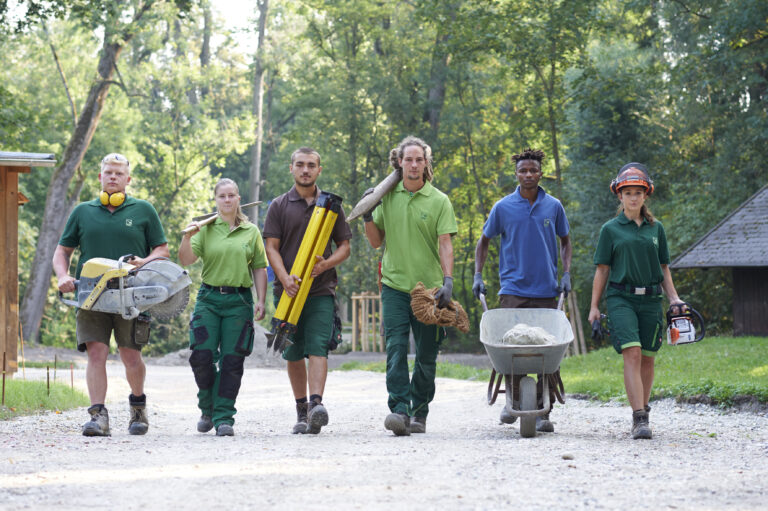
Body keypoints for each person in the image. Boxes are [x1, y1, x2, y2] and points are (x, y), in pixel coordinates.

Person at [54, 153, 169, 436]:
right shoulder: (82, 211)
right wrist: (63, 276)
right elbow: (62, 251)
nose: (113, 177)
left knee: (130, 355)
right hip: (91, 293)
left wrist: (144, 262)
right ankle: (98, 416)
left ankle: (138, 408)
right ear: (100, 177)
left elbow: (162, 250)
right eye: (109, 173)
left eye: (119, 173)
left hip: (131, 293)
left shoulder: (143, 209)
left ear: (128, 179)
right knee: (96, 353)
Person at [363, 135, 457, 436]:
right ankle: (400, 410)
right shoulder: (386, 197)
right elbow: (376, 241)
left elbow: (445, 244)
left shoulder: (439, 200)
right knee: (395, 349)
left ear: (426, 164)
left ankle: (420, 412)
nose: (414, 164)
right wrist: (367, 212)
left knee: (427, 354)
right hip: (393, 286)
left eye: (419, 159)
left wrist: (447, 282)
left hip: (428, 291)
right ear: (399, 163)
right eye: (408, 159)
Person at [472, 148, 571, 433]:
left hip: (546, 289)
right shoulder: (503, 207)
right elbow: (484, 241)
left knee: (547, 348)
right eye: (523, 171)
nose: (528, 175)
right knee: (510, 347)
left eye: (533, 170)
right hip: (513, 288)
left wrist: (565, 274)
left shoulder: (553, 206)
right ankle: (514, 400)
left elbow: (565, 241)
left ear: (541, 173)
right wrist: (478, 274)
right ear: (516, 174)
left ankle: (543, 411)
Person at [587, 163, 684, 439]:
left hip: (652, 300)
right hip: (621, 298)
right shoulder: (610, 229)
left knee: (648, 359)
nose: (632, 197)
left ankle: (644, 408)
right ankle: (639, 418)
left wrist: (674, 298)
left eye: (637, 192)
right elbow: (602, 269)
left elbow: (663, 267)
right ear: (619, 196)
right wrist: (594, 307)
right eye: (627, 192)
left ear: (646, 195)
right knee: (632, 352)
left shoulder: (657, 229)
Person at [263, 147, 351, 435]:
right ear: (291, 168)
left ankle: (316, 406)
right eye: (300, 165)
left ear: (319, 170)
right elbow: (271, 248)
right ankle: (301, 409)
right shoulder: (278, 205)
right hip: (287, 291)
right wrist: (285, 277)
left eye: (311, 165)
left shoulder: (331, 207)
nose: (305, 170)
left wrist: (326, 264)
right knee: (293, 352)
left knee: (318, 348)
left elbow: (345, 247)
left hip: (321, 290)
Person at [178, 178, 268, 437]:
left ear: (239, 198)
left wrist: (261, 299)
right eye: (222, 196)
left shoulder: (251, 231)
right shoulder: (205, 229)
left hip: (239, 301)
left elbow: (259, 267)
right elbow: (186, 259)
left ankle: (224, 416)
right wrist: (187, 237)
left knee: (232, 360)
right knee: (201, 356)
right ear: (216, 200)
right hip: (209, 298)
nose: (227, 200)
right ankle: (207, 409)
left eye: (232, 195)